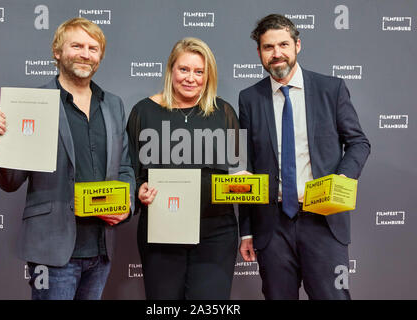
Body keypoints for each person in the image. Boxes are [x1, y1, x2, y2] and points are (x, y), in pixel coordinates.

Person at [0, 17, 135, 300]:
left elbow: (125, 166)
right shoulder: (33, 103)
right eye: (76, 45)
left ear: (100, 56)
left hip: (101, 249)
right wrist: (4, 146)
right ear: (57, 52)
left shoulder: (113, 104)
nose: (85, 53)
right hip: (52, 251)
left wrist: (126, 203)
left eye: (93, 48)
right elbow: (10, 182)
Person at [238, 14, 370, 300]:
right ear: (259, 52)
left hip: (323, 220)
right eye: (268, 47)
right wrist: (246, 231)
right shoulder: (249, 99)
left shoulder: (330, 89)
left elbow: (358, 142)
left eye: (283, 44)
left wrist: (343, 177)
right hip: (272, 227)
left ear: (297, 45)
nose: (277, 54)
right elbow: (243, 166)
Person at [127, 37, 241, 299]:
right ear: (171, 70)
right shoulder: (143, 111)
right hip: (161, 231)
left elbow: (240, 173)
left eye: (199, 71)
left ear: (208, 75)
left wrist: (243, 182)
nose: (191, 78)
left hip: (216, 233)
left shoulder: (224, 112)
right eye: (184, 69)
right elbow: (129, 171)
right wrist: (139, 191)